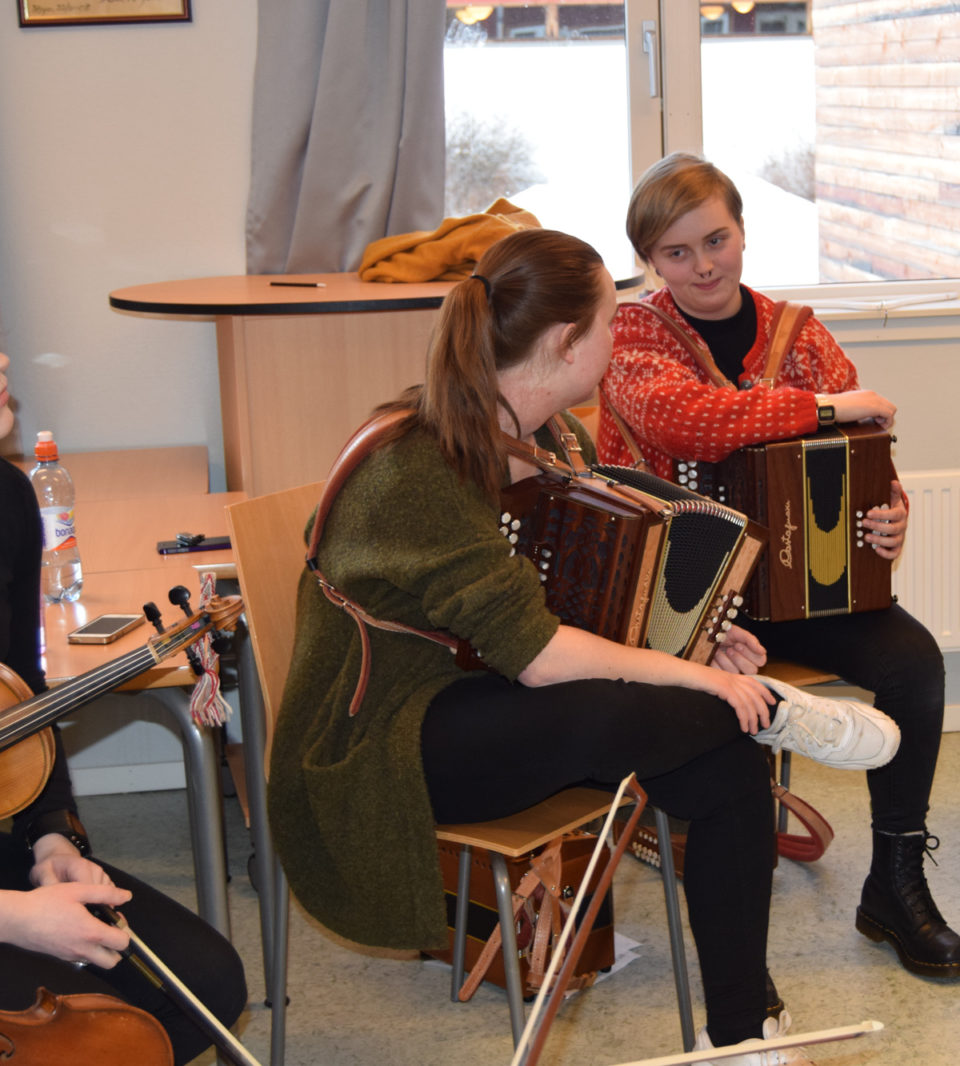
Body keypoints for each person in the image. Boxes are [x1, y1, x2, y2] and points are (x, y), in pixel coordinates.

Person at [270, 227, 900, 1065]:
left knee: (726, 766)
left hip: (482, 688)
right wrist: (696, 680)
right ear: (567, 343)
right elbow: (539, 654)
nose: (623, 331)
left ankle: (740, 1036)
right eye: (611, 318)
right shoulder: (414, 467)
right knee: (631, 711)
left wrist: (702, 647)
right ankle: (771, 714)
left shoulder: (559, 436)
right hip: (381, 738)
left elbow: (583, 608)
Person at [596, 153, 960, 979]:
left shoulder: (798, 333)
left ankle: (898, 879)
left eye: (716, 239)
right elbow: (690, 421)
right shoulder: (631, 333)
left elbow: (870, 455)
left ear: (740, 230)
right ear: (649, 263)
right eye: (676, 253)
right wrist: (828, 407)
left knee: (915, 666)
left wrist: (887, 512)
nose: (703, 266)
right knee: (722, 716)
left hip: (801, 590)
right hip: (681, 602)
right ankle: (732, 866)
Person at [0, 254, 248, 1063]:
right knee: (79, 1037)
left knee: (205, 989)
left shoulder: (1, 499)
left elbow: (21, 702)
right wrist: (7, 917)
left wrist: (51, 840)